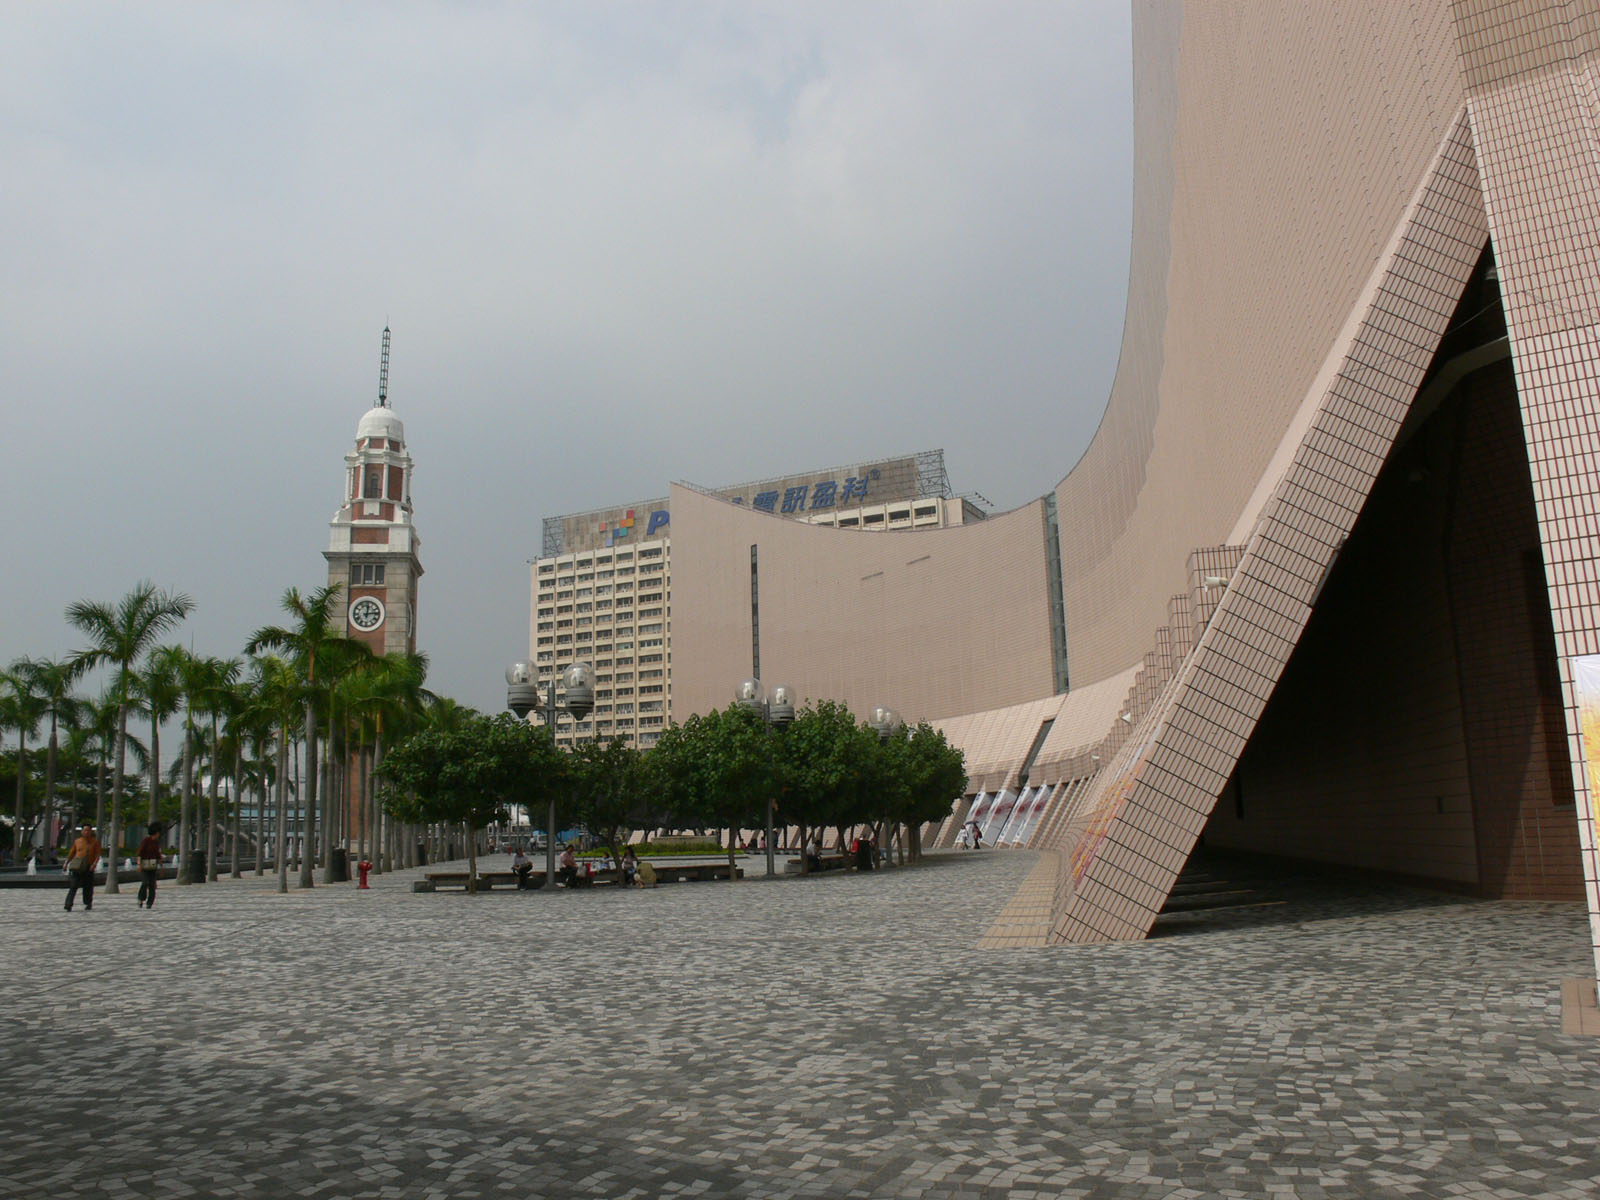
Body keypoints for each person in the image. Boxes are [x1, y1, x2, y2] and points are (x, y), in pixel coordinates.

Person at [63, 824, 103, 912]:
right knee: (73, 886)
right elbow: (72, 853)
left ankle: (88, 903)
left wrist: (94, 864)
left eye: (88, 830)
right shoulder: (77, 841)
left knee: (88, 887)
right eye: (85, 830)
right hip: (77, 867)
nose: (86, 832)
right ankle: (68, 904)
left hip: (88, 867)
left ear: (91, 831)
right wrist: (66, 864)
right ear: (81, 832)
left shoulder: (94, 842)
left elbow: (97, 854)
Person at [136, 823, 163, 909]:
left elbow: (158, 854)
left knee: (152, 885)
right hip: (144, 865)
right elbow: (140, 853)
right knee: (145, 883)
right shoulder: (146, 841)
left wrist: (161, 867)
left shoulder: (156, 842)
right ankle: (141, 898)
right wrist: (139, 864)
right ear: (156, 832)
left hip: (153, 865)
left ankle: (149, 902)